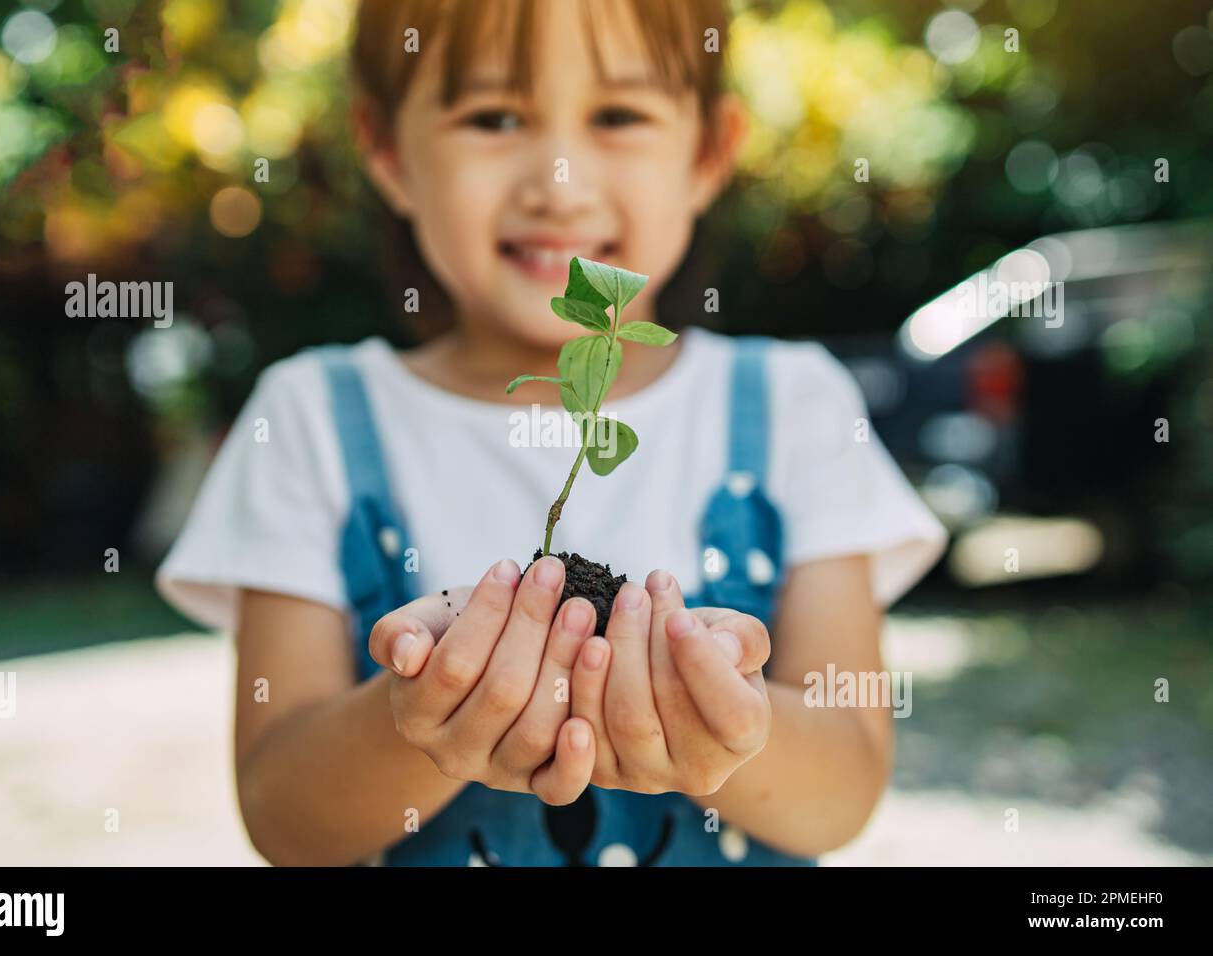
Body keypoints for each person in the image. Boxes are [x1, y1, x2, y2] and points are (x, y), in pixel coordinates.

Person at [157, 0, 947, 866]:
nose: (560, 183)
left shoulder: (797, 404)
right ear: (386, 151)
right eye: (493, 117)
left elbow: (846, 789)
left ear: (710, 151)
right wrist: (422, 714)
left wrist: (726, 729)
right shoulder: (309, 416)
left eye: (618, 115)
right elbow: (286, 817)